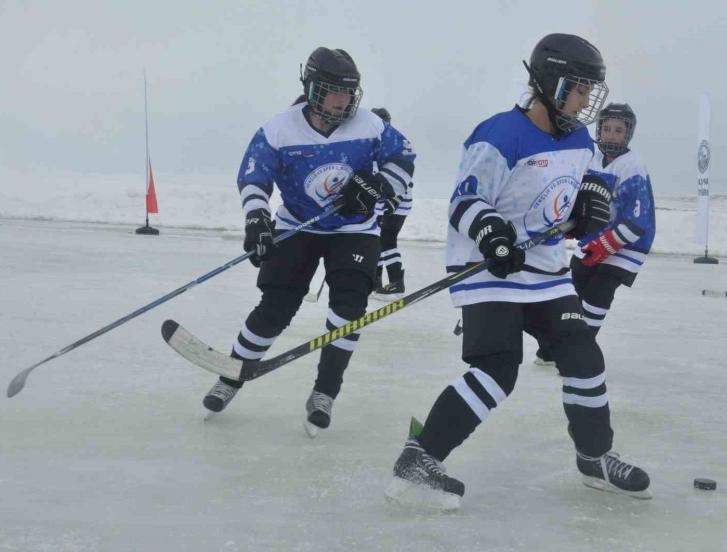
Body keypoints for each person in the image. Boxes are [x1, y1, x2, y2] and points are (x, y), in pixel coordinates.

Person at [384, 34, 651, 511]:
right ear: (551, 82)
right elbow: (465, 201)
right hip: (489, 269)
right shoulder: (499, 134)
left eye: (590, 91)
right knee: (498, 369)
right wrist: (491, 232)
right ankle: (420, 457)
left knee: (584, 357)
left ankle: (595, 457)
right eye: (580, 89)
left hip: (547, 272)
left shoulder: (580, 140)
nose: (586, 101)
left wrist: (587, 210)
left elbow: (574, 199)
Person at [202, 47, 416, 439]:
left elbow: (403, 156)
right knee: (276, 306)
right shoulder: (279, 128)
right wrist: (256, 218)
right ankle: (231, 377)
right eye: (334, 91)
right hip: (298, 225)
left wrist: (380, 185)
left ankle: (324, 393)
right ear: (313, 88)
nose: (343, 101)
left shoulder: (370, 125)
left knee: (349, 309)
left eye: (349, 92)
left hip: (354, 230)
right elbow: (254, 175)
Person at [534, 103, 656, 367]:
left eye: (619, 130)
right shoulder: (591, 158)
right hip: (594, 239)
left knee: (597, 295)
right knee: (571, 294)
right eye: (607, 129)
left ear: (628, 134)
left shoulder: (633, 166)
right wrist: (571, 223)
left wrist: (607, 243)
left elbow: (638, 220)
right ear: (599, 130)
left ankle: (580, 352)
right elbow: (578, 198)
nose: (612, 135)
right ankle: (553, 348)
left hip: (628, 245)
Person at [369, 107, 414, 300]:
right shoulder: (383, 141)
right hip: (387, 202)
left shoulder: (390, 142)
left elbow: (405, 174)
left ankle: (396, 282)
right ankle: (375, 281)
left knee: (386, 240)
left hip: (395, 202)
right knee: (379, 240)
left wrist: (395, 199)